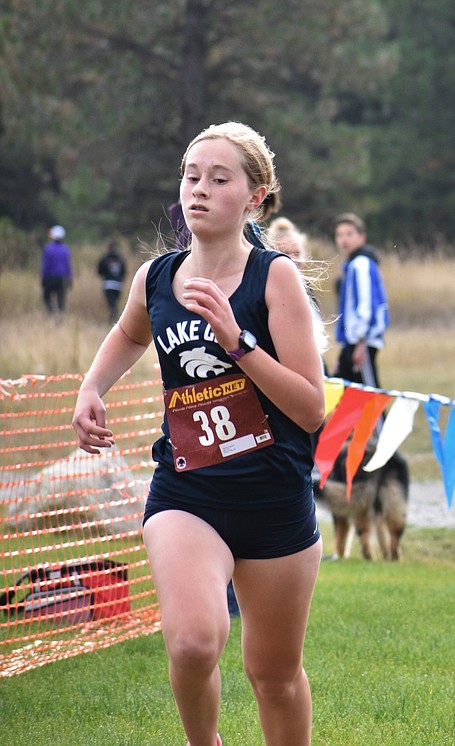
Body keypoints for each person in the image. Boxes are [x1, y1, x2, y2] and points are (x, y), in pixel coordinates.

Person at [71, 121, 326, 746]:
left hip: (274, 500)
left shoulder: (277, 278)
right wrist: (91, 388)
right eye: (190, 177)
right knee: (191, 643)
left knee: (275, 676)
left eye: (219, 179)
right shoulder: (156, 277)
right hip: (188, 493)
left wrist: (239, 344)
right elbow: (132, 332)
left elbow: (312, 410)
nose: (199, 190)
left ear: (255, 197)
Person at [333, 212, 389, 388]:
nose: (344, 240)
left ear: (361, 237)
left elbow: (365, 305)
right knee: (343, 391)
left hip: (361, 341)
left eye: (349, 234)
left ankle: (381, 418)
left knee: (368, 395)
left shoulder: (361, 264)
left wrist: (360, 342)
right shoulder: (352, 265)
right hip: (351, 341)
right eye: (340, 235)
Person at [41, 224, 73, 317]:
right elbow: (68, 265)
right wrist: (70, 278)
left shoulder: (48, 248)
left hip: (50, 277)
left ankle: (51, 313)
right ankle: (60, 316)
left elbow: (45, 265)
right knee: (61, 299)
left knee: (46, 297)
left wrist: (43, 277)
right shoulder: (65, 249)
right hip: (62, 278)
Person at [96, 241, 128, 324]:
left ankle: (113, 319)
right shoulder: (120, 259)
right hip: (119, 285)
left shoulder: (104, 258)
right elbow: (124, 271)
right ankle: (114, 318)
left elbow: (99, 271)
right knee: (115, 302)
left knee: (111, 303)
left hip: (108, 284)